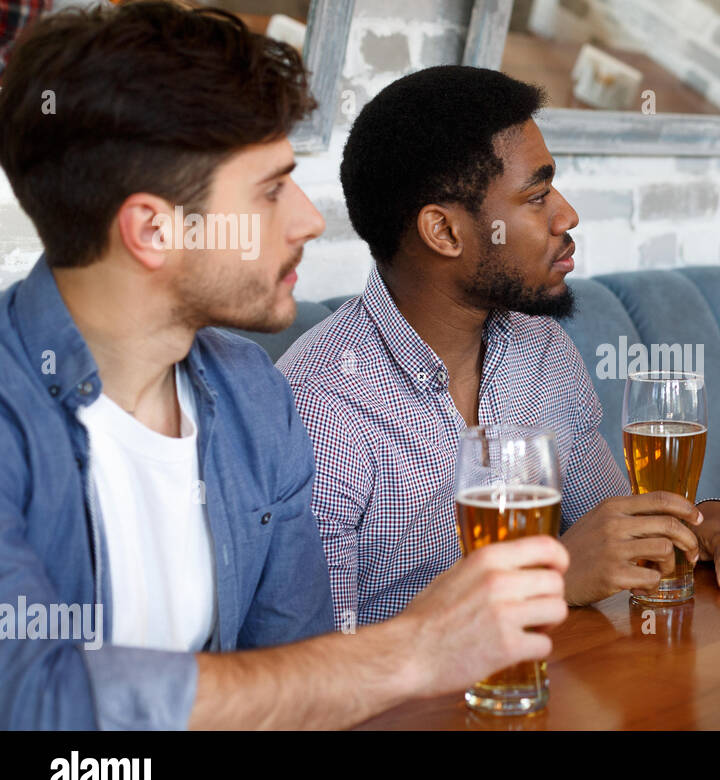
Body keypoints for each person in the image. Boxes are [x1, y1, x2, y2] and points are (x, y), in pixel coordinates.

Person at [0, 0, 568, 730]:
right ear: (152, 228)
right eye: (270, 190)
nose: (308, 219)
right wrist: (408, 650)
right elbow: (33, 702)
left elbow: (308, 675)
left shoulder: (250, 395)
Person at [278, 66, 720, 629]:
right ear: (445, 232)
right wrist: (550, 581)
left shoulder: (542, 348)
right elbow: (322, 665)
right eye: (537, 196)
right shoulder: (321, 407)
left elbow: (609, 529)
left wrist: (705, 520)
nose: (566, 215)